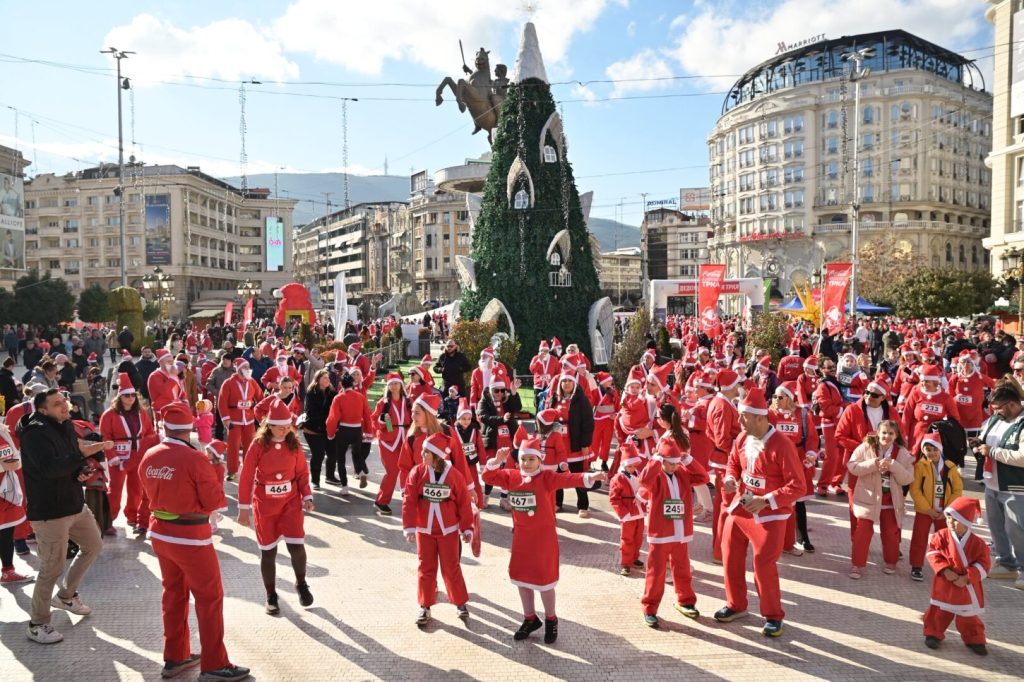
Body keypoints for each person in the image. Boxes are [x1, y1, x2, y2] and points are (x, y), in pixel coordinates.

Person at [138, 402, 250, 681]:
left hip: (160, 534)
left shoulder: (150, 455)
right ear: (190, 428)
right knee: (209, 598)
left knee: (173, 594)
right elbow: (213, 501)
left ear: (165, 426)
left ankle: (175, 656)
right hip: (191, 538)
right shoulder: (195, 458)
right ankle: (214, 663)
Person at [481, 440, 605, 643]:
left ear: (540, 460)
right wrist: (497, 460)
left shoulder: (547, 477)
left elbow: (568, 479)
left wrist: (590, 476)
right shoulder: (512, 476)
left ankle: (551, 619)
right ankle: (530, 618)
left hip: (544, 539)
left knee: (545, 581)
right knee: (522, 578)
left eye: (531, 459)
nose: (527, 463)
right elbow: (487, 476)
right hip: (521, 538)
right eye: (523, 459)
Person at [18, 388, 112, 644]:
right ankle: (38, 623)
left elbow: (68, 461)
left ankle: (66, 596)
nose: (64, 406)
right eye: (57, 404)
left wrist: (80, 470)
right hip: (49, 512)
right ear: (42, 410)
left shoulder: (66, 425)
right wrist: (83, 454)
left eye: (64, 402)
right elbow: (49, 468)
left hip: (74, 505)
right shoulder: (34, 433)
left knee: (93, 545)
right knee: (51, 568)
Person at [715, 389, 805, 638]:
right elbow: (733, 462)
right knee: (730, 553)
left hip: (770, 516)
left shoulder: (782, 445)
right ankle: (736, 605)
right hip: (742, 508)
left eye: (743, 417)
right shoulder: (742, 438)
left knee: (763, 564)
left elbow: (798, 486)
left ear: (760, 418)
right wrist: (731, 478)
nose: (739, 421)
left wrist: (766, 500)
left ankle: (773, 616)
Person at [237, 400, 315, 615]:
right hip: (265, 505)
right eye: (280, 425)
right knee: (268, 552)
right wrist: (243, 509)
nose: (285, 428)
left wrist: (306, 495)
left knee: (297, 546)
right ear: (269, 425)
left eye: (287, 425)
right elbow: (246, 477)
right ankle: (271, 595)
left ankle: (301, 584)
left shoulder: (294, 444)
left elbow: (301, 473)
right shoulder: (258, 446)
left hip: (290, 503)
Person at [402, 431, 475, 625]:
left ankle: (460, 603)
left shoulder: (454, 475)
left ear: (437, 455)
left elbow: (464, 503)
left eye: (426, 452)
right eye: (423, 451)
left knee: (451, 568)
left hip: (448, 531)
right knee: (426, 568)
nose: (422, 455)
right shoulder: (417, 473)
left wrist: (467, 528)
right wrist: (409, 526)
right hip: (424, 531)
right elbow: (409, 500)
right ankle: (425, 606)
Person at [639, 437, 709, 628]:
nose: (673, 467)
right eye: (670, 463)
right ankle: (650, 608)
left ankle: (686, 601)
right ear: (662, 461)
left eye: (676, 463)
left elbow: (704, 478)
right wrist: (655, 460)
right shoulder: (655, 476)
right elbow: (644, 480)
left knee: (683, 569)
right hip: (661, 533)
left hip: (681, 532)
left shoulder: (682, 473)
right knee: (656, 572)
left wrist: (688, 461)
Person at [847, 420, 915, 579]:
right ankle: (857, 564)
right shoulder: (865, 447)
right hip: (868, 498)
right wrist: (873, 464)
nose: (887, 436)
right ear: (877, 433)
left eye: (891, 433)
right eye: (884, 432)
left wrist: (893, 466)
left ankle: (891, 561)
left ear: (896, 435)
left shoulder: (903, 453)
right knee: (862, 532)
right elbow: (852, 467)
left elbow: (908, 478)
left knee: (891, 533)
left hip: (891, 501)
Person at [923, 496, 990, 655]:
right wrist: (945, 570)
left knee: (968, 615)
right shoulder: (940, 536)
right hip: (945, 581)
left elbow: (984, 564)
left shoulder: (978, 543)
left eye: (955, 520)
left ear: (966, 521)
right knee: (939, 610)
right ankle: (933, 633)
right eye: (948, 518)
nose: (950, 523)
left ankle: (975, 638)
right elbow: (933, 552)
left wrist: (967, 577)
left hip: (966, 585)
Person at [976, 383, 1024, 589]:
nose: (994, 412)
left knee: (1018, 530)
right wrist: (977, 443)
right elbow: (984, 436)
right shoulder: (996, 419)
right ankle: (1006, 563)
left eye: (998, 408)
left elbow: (1022, 457)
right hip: (992, 483)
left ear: (1012, 404)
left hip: (1016, 486)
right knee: (996, 527)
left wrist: (992, 451)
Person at [99, 374, 157, 536]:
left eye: (132, 395)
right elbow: (105, 437)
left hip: (138, 456)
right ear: (120, 396)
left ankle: (133, 517)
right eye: (126, 395)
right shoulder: (109, 415)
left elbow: (149, 433)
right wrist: (112, 456)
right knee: (115, 490)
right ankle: (108, 520)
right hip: (118, 457)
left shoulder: (142, 413)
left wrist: (149, 451)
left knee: (136, 489)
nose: (130, 398)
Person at [769, 383, 817, 555]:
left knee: (799, 500)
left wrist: (811, 453)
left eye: (780, 397)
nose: (776, 400)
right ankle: (779, 540)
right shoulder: (770, 414)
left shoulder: (802, 414)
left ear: (789, 399)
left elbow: (811, 437)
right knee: (778, 499)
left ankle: (802, 537)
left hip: (797, 458)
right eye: (774, 396)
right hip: (776, 460)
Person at [908, 436, 963, 582]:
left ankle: (945, 566)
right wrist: (927, 509)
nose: (932, 453)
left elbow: (957, 490)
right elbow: (915, 490)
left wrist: (947, 510)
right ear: (923, 451)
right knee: (919, 538)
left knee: (945, 540)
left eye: (934, 449)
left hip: (944, 512)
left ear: (940, 449)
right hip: (924, 511)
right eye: (928, 449)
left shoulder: (950, 467)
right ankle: (916, 565)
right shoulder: (920, 466)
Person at [548, 373, 595, 517]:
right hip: (558, 444)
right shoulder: (554, 399)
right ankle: (557, 503)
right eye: (564, 381)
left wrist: (585, 443)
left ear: (574, 383)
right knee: (557, 475)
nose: (566, 384)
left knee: (577, 475)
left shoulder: (581, 400)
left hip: (574, 444)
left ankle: (583, 505)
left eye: (569, 381)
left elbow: (588, 423)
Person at [325, 372, 373, 495]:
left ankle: (345, 487)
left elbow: (332, 418)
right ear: (353, 383)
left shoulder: (339, 397)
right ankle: (361, 472)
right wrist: (368, 432)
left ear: (341, 384)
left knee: (340, 459)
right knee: (357, 454)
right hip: (357, 430)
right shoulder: (360, 397)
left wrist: (330, 434)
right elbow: (367, 416)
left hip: (343, 430)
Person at [372, 372, 411, 515]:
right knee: (392, 472)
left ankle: (408, 497)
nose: (394, 387)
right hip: (388, 442)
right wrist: (382, 420)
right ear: (388, 387)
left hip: (405, 440)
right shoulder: (383, 403)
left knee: (408, 470)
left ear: (401, 385)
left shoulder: (408, 401)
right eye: (391, 384)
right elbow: (374, 422)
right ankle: (381, 501)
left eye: (396, 383)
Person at [218, 358, 262, 481]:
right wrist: (226, 420)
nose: (248, 370)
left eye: (249, 367)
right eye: (245, 367)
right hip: (234, 420)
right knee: (233, 446)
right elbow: (222, 402)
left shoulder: (252, 382)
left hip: (248, 419)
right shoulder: (228, 383)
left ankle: (251, 470)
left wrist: (262, 414)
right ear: (239, 369)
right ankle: (232, 470)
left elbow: (260, 397)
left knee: (251, 446)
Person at [0, 420, 33, 584]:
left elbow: (15, 454)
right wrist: (2, 467)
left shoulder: (2, 430)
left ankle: (8, 571)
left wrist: (14, 464)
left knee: (6, 532)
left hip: (7, 490)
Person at [608, 441, 646, 576]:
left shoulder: (639, 474)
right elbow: (613, 499)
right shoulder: (617, 478)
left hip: (639, 512)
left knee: (638, 537)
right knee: (627, 538)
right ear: (624, 465)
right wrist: (623, 513)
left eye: (635, 465)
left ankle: (635, 558)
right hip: (628, 513)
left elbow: (645, 489)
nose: (632, 468)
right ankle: (626, 563)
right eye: (630, 466)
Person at [301, 370, 336, 491]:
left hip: (327, 428)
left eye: (328, 378)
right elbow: (312, 413)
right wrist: (329, 419)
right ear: (318, 379)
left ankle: (330, 476)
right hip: (313, 429)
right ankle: (315, 480)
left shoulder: (332, 392)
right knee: (318, 454)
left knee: (332, 453)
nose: (327, 380)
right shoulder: (311, 393)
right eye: (324, 378)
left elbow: (336, 410)